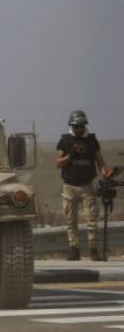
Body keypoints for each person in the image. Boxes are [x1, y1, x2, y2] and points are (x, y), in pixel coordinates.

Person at [56, 110, 112, 261]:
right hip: (69, 186)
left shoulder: (92, 141)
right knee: (70, 220)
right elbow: (58, 163)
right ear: (72, 126)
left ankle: (93, 250)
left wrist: (107, 174)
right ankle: (74, 250)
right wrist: (71, 155)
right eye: (76, 126)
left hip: (86, 185)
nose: (79, 129)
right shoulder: (65, 140)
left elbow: (100, 161)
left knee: (92, 219)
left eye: (82, 126)